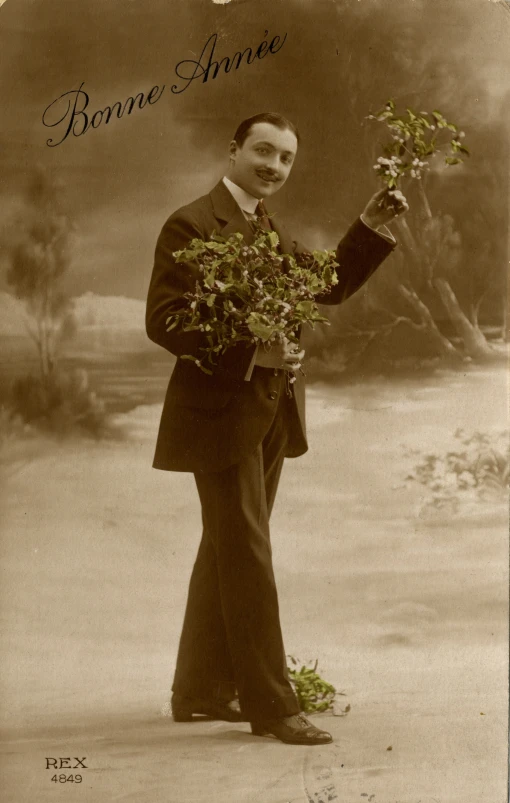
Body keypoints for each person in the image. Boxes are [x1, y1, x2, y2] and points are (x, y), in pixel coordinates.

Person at [146, 112, 408, 746]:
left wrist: (368, 226)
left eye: (286, 158)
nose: (274, 166)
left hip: (268, 413)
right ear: (233, 149)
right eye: (263, 151)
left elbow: (327, 285)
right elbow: (164, 321)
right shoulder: (190, 223)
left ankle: (200, 689)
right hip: (219, 418)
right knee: (247, 556)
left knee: (228, 549)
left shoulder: (262, 227)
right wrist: (249, 354)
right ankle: (271, 705)